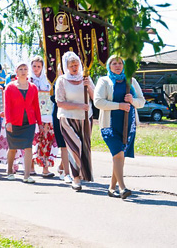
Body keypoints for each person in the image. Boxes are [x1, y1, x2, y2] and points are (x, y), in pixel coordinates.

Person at [94, 56, 145, 199]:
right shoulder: (104, 81)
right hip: (109, 125)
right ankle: (122, 188)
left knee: (120, 158)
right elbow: (98, 102)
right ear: (109, 66)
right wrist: (119, 106)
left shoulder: (131, 81)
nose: (117, 66)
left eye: (120, 63)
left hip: (128, 125)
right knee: (118, 154)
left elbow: (141, 102)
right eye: (114, 63)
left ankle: (111, 188)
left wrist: (132, 100)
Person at [55, 51, 95, 191]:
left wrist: (88, 86)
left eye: (76, 64)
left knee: (84, 147)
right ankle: (76, 178)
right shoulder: (62, 80)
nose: (74, 67)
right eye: (71, 65)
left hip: (85, 118)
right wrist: (78, 106)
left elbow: (94, 97)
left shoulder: (86, 78)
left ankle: (83, 175)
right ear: (66, 66)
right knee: (74, 146)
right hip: (67, 118)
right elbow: (59, 102)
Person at [4, 62, 42, 184]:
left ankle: (26, 175)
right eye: (21, 69)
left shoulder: (33, 87)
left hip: (29, 122)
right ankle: (9, 170)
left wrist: (39, 123)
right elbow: (7, 106)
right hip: (14, 122)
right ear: (16, 71)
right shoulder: (10, 87)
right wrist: (8, 121)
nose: (23, 71)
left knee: (28, 147)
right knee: (13, 147)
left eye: (25, 69)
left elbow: (36, 106)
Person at [29, 55, 56, 178]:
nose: (36, 69)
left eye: (39, 66)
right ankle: (30, 167)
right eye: (34, 66)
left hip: (46, 115)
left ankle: (45, 168)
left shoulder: (48, 80)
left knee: (46, 140)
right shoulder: (29, 80)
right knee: (33, 140)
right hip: (32, 115)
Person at [51, 65, 72, 183]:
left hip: (74, 114)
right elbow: (54, 98)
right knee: (64, 144)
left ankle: (62, 166)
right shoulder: (57, 82)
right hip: (60, 114)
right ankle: (66, 173)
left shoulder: (77, 81)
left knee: (72, 143)